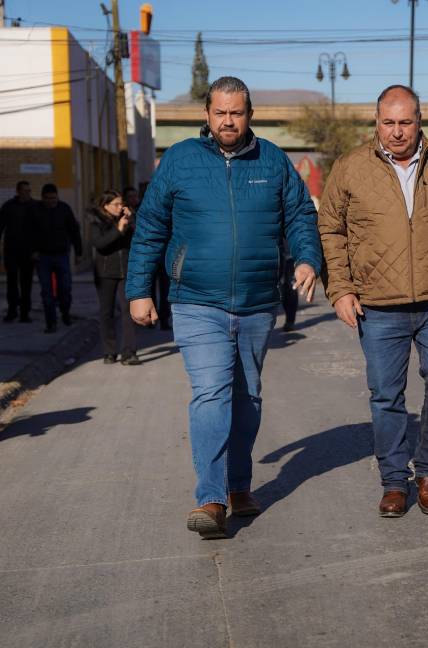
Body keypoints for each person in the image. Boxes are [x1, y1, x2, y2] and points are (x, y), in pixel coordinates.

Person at [126, 76, 322, 539]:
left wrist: (309, 258)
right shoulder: (180, 160)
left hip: (257, 302)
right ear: (207, 115)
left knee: (248, 397)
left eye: (236, 112)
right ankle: (211, 498)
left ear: (249, 114)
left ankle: (238, 487)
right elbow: (151, 225)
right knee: (212, 391)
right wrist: (138, 290)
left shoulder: (272, 160)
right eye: (220, 112)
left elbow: (299, 216)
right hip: (197, 300)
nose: (228, 120)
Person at [318, 84, 428, 518]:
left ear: (419, 121)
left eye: (405, 122)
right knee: (386, 395)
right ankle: (395, 482)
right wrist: (340, 289)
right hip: (377, 303)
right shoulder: (351, 167)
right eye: (388, 122)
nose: (397, 132)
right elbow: (330, 230)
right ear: (376, 122)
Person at [90, 190, 140, 365]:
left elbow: (139, 237)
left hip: (126, 270)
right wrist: (118, 230)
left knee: (128, 310)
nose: (120, 208)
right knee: (107, 311)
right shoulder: (96, 222)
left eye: (121, 204)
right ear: (106, 206)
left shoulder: (127, 219)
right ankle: (109, 351)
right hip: (105, 272)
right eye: (116, 205)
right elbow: (100, 244)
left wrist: (131, 220)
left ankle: (129, 352)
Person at [33, 183, 82, 334]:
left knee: (65, 288)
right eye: (48, 199)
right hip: (43, 257)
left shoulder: (64, 209)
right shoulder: (36, 210)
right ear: (43, 198)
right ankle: (51, 323)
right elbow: (29, 233)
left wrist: (79, 253)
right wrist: (33, 251)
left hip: (61, 255)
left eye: (54, 198)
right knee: (47, 292)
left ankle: (65, 313)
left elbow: (74, 231)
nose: (51, 201)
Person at [127, 185, 171, 330]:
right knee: (149, 287)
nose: (134, 199)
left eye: (135, 196)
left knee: (165, 289)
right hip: (146, 256)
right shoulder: (130, 212)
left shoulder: (163, 208)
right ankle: (150, 316)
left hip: (164, 254)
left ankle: (164, 318)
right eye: (130, 196)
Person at [0, 180, 37, 323]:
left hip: (29, 252)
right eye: (25, 190)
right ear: (18, 191)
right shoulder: (8, 207)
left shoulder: (35, 206)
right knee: (12, 281)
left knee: (26, 283)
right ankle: (12, 311)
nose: (27, 193)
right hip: (11, 250)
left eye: (29, 191)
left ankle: (24, 313)